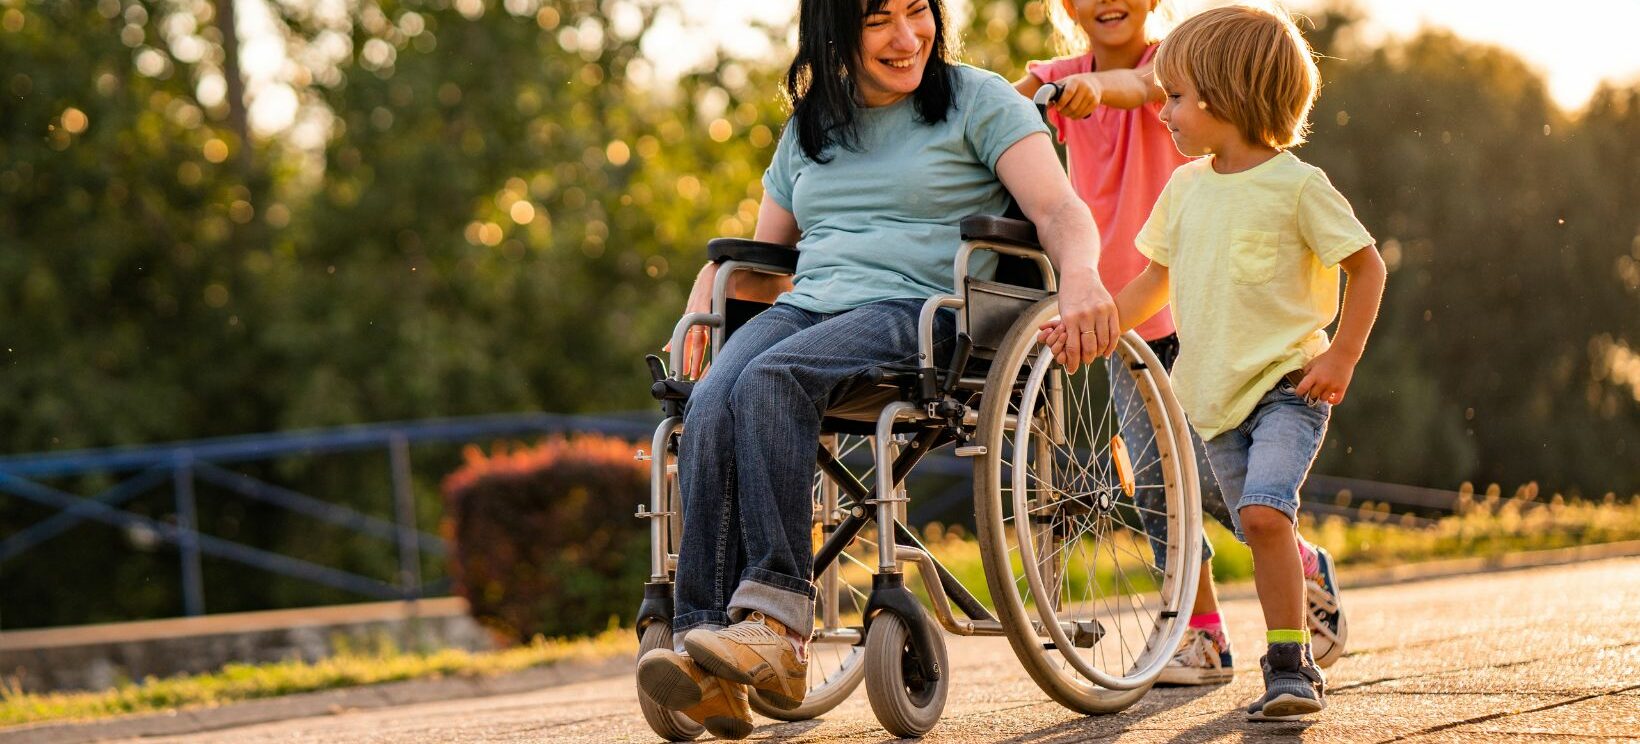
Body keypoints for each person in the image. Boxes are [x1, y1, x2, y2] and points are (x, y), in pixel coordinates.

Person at [634, 0, 1119, 738]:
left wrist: (1082, 275)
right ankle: (706, 654)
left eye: (918, 11)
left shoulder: (974, 99)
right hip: (813, 308)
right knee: (711, 399)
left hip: (924, 310)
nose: (906, 37)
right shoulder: (810, 126)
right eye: (878, 20)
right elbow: (765, 262)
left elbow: (1058, 211)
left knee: (773, 378)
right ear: (834, 32)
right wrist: (712, 284)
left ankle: (778, 625)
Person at [1039, 4, 1387, 720]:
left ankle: (1287, 666)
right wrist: (1094, 326)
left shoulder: (1297, 185)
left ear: (1226, 98)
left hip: (1288, 386)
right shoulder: (1186, 188)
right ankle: (1296, 566)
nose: (1165, 110)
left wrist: (1343, 357)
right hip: (1211, 388)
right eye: (1164, 96)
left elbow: (1368, 265)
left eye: (1177, 98)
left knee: (1260, 513)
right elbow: (1150, 283)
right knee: (1223, 510)